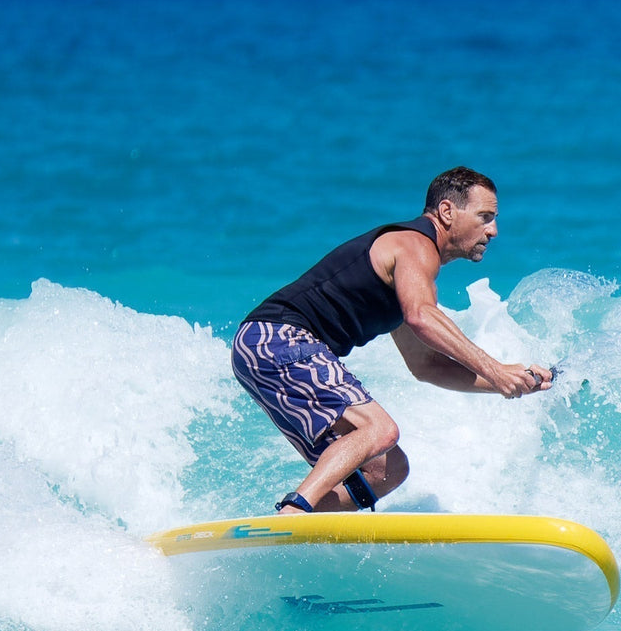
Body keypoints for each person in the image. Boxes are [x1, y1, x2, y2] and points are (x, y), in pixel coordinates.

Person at [232, 167, 553, 514]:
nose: (493, 230)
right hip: (276, 338)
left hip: (261, 348)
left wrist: (510, 382)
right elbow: (421, 316)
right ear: (447, 212)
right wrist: (495, 370)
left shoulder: (411, 274)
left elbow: (426, 366)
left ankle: (292, 528)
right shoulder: (415, 245)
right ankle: (292, 515)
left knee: (387, 470)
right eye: (485, 217)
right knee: (380, 430)